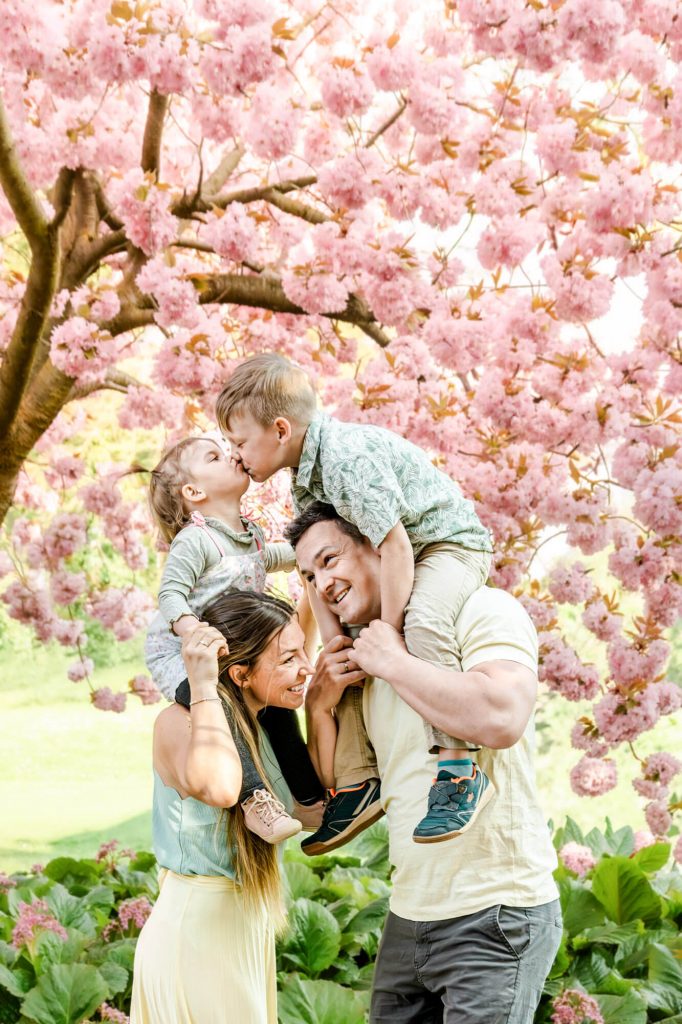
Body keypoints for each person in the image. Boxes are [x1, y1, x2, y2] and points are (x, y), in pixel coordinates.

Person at [288, 502, 562, 1024]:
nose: (322, 584)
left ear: (380, 548)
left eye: (330, 559)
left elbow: (502, 717)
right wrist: (319, 706)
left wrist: (394, 661)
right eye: (310, 575)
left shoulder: (479, 609)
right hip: (409, 914)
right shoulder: (361, 660)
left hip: (495, 915)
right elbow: (329, 796)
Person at [216, 353, 494, 852]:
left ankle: (457, 770)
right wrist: (336, 642)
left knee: (424, 622)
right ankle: (356, 785)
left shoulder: (346, 457)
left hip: (445, 546)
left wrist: (388, 632)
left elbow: (397, 546)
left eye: (239, 443)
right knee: (342, 657)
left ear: (280, 428)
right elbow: (309, 570)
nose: (236, 457)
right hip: (401, 555)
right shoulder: (306, 478)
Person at [131, 590, 314, 1024]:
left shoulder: (265, 727)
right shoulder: (178, 723)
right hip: (195, 938)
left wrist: (322, 703)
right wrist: (202, 685)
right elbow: (221, 787)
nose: (306, 666)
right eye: (288, 659)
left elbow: (314, 812)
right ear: (240, 674)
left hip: (244, 936)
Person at [144, 434, 324, 843]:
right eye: (214, 456)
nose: (230, 456)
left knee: (278, 710)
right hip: (179, 652)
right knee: (222, 707)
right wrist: (191, 629)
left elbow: (273, 558)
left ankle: (309, 800)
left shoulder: (250, 534)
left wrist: (313, 549)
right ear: (194, 491)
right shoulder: (196, 540)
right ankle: (254, 800)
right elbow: (171, 594)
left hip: (227, 649)